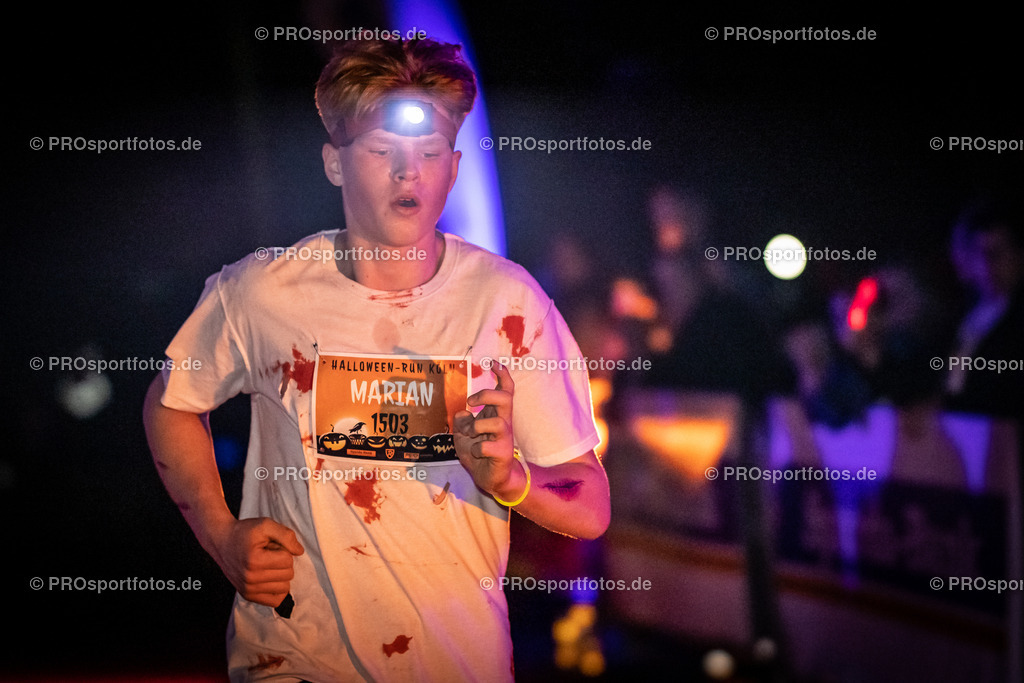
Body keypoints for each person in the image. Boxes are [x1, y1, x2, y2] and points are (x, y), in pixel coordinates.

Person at [142, 37, 609, 682]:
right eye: (382, 151)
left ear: (453, 166)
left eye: (428, 153)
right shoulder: (260, 293)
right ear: (335, 163)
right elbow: (171, 405)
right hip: (294, 659)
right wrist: (222, 535)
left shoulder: (508, 304)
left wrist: (509, 480)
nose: (407, 173)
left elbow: (589, 505)